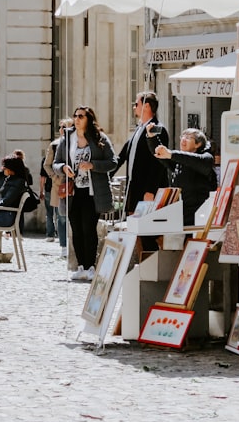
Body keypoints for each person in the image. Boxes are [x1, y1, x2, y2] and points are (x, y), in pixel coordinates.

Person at [53, 106, 117, 281]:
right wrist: (63, 168)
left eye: (81, 116)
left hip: (92, 192)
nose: (77, 119)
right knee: (76, 230)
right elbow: (55, 163)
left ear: (89, 118)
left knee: (89, 229)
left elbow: (113, 162)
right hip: (73, 191)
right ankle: (80, 266)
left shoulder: (99, 138)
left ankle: (91, 266)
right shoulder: (67, 138)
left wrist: (93, 165)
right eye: (75, 116)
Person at [114, 91, 170, 251]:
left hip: (147, 191)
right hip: (134, 188)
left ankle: (150, 263)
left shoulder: (158, 129)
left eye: (136, 104)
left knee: (147, 232)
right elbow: (123, 156)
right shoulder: (139, 129)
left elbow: (158, 162)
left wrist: (150, 190)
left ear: (146, 106)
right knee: (135, 230)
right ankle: (142, 263)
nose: (134, 107)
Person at [151, 128, 217, 227]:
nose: (183, 139)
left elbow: (193, 160)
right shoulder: (179, 161)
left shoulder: (206, 158)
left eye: (188, 137)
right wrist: (152, 137)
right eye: (183, 136)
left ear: (198, 144)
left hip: (199, 215)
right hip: (180, 214)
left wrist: (171, 154)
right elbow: (161, 154)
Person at [42, 118, 73, 251]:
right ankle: (63, 246)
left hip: (75, 183)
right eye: (61, 127)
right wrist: (55, 177)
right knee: (61, 216)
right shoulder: (54, 145)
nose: (63, 130)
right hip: (60, 185)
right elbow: (46, 165)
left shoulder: (78, 143)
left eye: (66, 127)